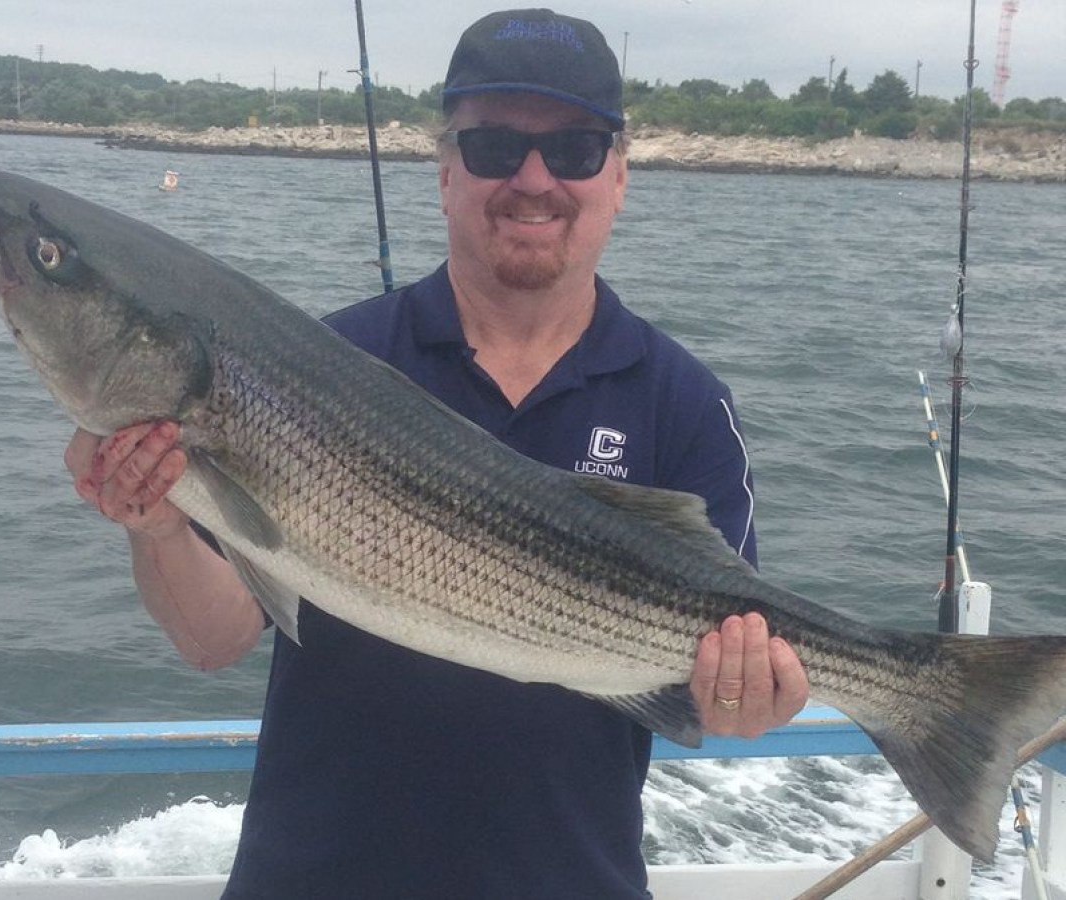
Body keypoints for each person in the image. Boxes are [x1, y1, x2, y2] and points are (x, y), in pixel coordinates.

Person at [64, 9, 809, 899]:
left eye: (572, 149)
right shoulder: (316, 366)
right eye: (494, 145)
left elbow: (715, 689)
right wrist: (155, 530)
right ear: (446, 169)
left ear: (619, 175)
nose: (533, 180)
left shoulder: (683, 404)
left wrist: (751, 698)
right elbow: (213, 638)